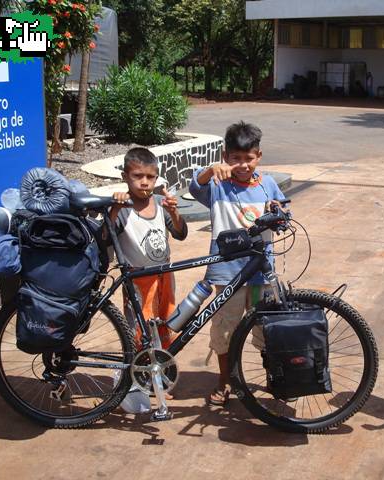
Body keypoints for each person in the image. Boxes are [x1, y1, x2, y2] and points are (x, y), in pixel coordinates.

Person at [189, 121, 286, 406]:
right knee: (225, 329)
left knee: (266, 328)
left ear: (259, 156)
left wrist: (278, 211)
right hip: (227, 272)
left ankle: (273, 376)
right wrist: (210, 170)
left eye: (249, 158)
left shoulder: (268, 184)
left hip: (261, 272)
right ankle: (225, 379)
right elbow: (196, 186)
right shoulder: (218, 185)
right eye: (235, 159)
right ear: (225, 156)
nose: (243, 165)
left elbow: (284, 213)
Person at [111, 147, 188, 350]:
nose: (144, 182)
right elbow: (105, 237)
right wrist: (115, 208)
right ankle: (141, 365)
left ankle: (161, 361)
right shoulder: (122, 209)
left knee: (165, 320)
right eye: (138, 176)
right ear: (125, 177)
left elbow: (180, 234)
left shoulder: (160, 204)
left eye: (150, 177)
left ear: (156, 179)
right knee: (139, 327)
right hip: (137, 279)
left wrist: (174, 212)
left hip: (164, 275)